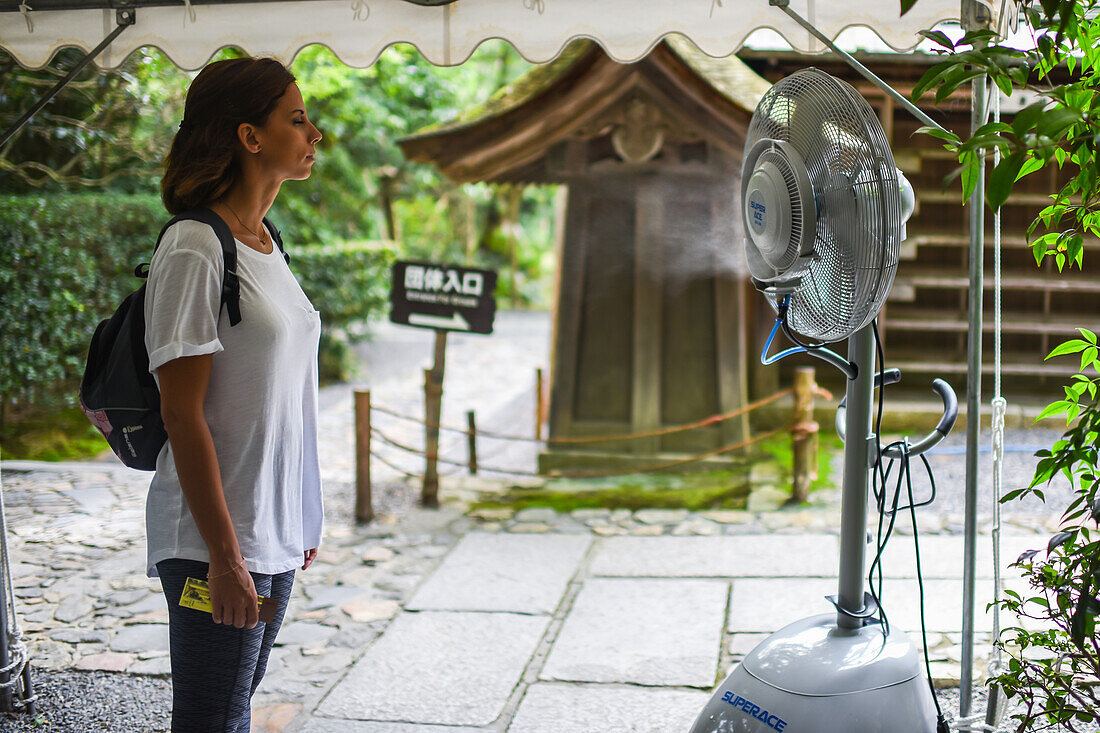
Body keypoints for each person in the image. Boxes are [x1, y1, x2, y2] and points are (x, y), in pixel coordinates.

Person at [143, 56, 324, 731]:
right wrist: (224, 556)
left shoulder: (268, 243)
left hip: (269, 531)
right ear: (250, 136)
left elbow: (286, 396)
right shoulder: (195, 245)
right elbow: (181, 411)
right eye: (297, 118)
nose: (315, 133)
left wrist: (302, 513)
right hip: (213, 539)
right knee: (212, 718)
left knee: (231, 710)